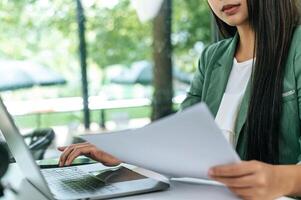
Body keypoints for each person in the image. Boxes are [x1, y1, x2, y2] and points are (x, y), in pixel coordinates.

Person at [59, 0, 301, 199]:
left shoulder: (297, 48)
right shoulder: (213, 57)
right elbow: (180, 136)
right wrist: (124, 151)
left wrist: (281, 179)